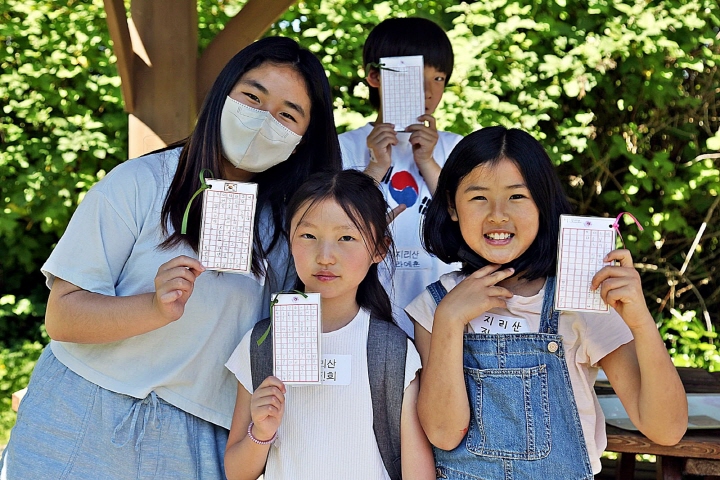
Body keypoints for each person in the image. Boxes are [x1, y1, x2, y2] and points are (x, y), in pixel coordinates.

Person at [0, 36, 341, 479]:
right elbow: (62, 317)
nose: (263, 120)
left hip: (200, 435)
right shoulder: (139, 181)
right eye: (252, 97)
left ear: (303, 138)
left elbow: (296, 337)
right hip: (80, 413)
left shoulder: (293, 227)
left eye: (287, 114)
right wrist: (153, 306)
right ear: (222, 95)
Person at [406, 126, 688, 478]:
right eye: (478, 197)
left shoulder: (581, 298)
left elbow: (666, 430)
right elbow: (444, 434)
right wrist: (449, 319)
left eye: (517, 197)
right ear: (451, 206)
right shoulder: (435, 305)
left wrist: (641, 322)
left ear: (543, 204)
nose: (497, 214)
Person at [224, 170, 435, 480]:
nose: (325, 256)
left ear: (379, 248)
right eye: (308, 235)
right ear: (291, 239)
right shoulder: (263, 343)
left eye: (346, 238)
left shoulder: (392, 350)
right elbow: (236, 472)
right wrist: (262, 432)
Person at [339, 17, 462, 336]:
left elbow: (468, 217)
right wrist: (375, 168)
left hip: (442, 312)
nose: (428, 90)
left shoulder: (456, 147)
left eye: (439, 77)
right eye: (414, 76)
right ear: (374, 76)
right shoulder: (344, 147)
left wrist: (428, 163)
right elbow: (330, 222)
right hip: (363, 314)